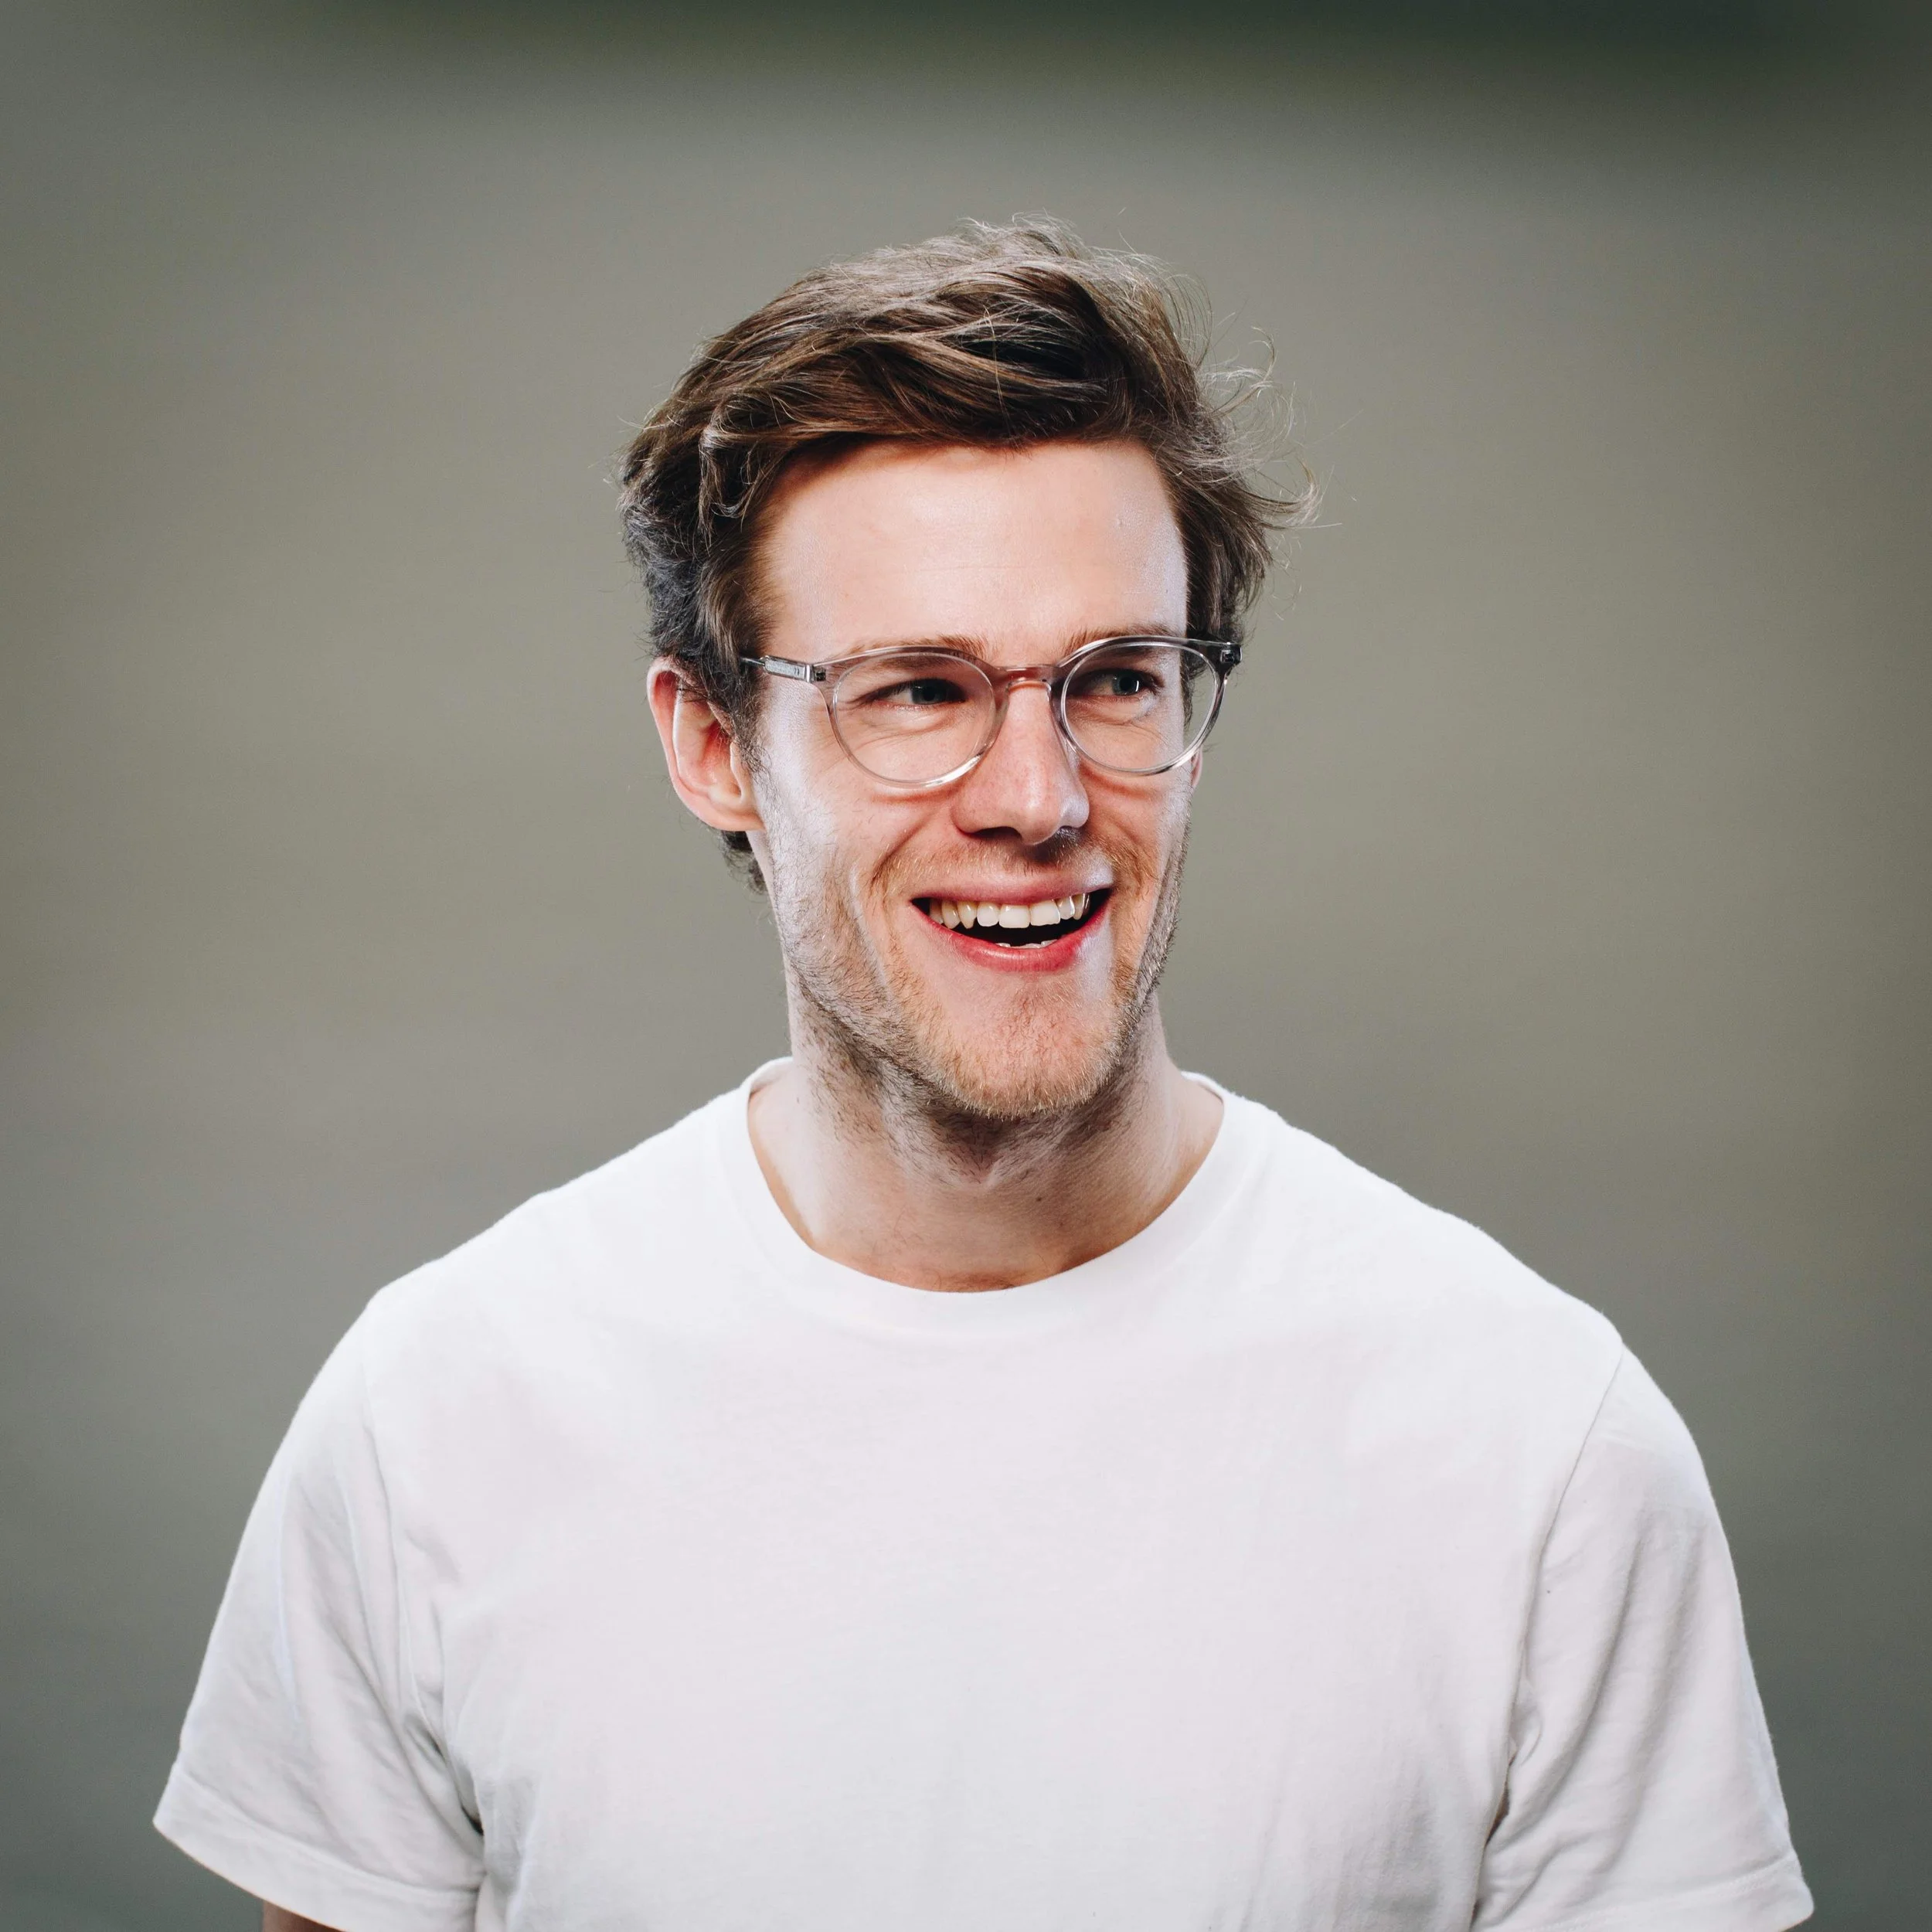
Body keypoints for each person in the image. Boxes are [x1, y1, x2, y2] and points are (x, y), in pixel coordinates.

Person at [155, 219, 1811, 1932]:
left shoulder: (1537, 1440)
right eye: (919, 689)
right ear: (712, 744)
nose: (1036, 791)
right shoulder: (441, 1409)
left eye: (1112, 680)